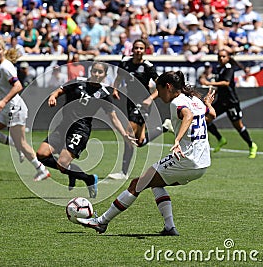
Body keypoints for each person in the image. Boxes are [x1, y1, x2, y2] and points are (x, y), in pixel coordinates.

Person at [77, 71, 216, 235]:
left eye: (159, 89)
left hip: (186, 159)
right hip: (203, 163)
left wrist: (177, 140)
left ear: (168, 87)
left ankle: (101, 222)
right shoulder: (196, 100)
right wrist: (207, 103)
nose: (158, 95)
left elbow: (188, 115)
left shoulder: (177, 102)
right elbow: (211, 115)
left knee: (137, 184)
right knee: (155, 182)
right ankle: (169, 227)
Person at [36, 61, 137, 198]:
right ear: (90, 71)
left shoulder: (104, 93)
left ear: (105, 75)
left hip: (80, 130)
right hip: (63, 126)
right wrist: (53, 96)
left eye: (100, 72)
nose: (96, 74)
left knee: (62, 164)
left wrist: (124, 134)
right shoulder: (77, 81)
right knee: (41, 154)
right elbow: (60, 90)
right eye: (94, 71)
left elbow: (113, 118)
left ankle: (88, 179)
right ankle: (76, 173)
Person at [0, 39, 50, 181]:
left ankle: (42, 169)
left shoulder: (5, 66)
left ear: (3, 50)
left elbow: (18, 86)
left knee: (23, 143)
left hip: (15, 109)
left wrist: (3, 101)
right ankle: (13, 142)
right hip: (5, 109)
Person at [108, 39, 164, 180]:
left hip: (143, 103)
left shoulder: (148, 66)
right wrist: (115, 89)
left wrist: (151, 98)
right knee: (139, 142)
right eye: (136, 48)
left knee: (128, 134)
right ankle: (162, 129)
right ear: (132, 49)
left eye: (141, 48)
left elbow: (161, 87)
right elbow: (119, 77)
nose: (138, 50)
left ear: (145, 50)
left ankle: (123, 172)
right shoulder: (125, 63)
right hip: (130, 102)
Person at [200, 49, 258, 158]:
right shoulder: (219, 69)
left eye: (223, 56)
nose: (221, 58)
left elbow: (226, 83)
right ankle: (220, 139)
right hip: (221, 101)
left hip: (231, 102)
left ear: (228, 58)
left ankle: (251, 145)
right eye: (219, 57)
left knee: (238, 126)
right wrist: (212, 93)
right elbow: (219, 86)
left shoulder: (229, 68)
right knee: (205, 119)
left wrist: (208, 83)